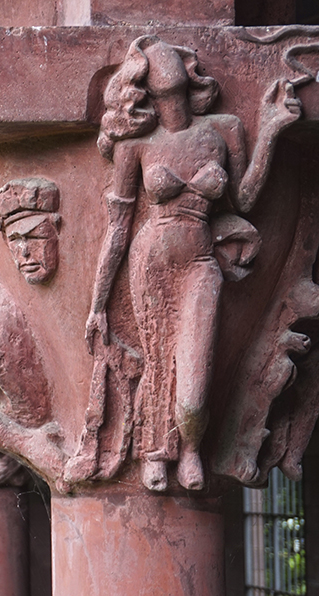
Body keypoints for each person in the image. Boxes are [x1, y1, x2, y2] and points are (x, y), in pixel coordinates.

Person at [85, 35, 301, 491]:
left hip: (201, 263)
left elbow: (243, 198)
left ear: (188, 83)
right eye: (160, 94)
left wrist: (270, 129)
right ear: (144, 95)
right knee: (159, 364)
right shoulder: (136, 146)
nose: (171, 101)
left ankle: (190, 445)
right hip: (152, 265)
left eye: (176, 90)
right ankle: (155, 453)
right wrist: (98, 304)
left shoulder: (221, 129)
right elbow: (118, 229)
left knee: (193, 390)